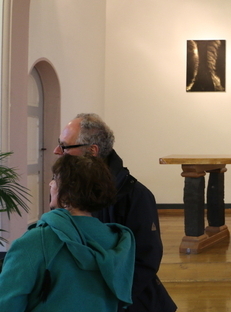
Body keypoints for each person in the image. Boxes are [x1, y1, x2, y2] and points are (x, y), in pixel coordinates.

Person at [54, 113, 177, 312]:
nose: (56, 151)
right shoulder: (65, 190)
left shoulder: (136, 195)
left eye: (65, 146)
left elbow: (146, 260)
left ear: (92, 151)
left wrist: (112, 302)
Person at [0, 154, 135, 312]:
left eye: (55, 179)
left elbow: (7, 304)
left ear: (67, 193)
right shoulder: (118, 241)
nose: (50, 184)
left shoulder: (35, 242)